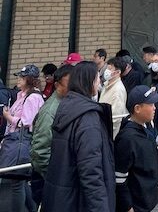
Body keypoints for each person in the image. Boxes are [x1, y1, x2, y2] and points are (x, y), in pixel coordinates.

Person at [42, 61, 115, 212]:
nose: (99, 82)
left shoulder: (66, 107)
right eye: (97, 78)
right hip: (78, 200)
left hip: (64, 196)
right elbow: (91, 170)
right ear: (89, 81)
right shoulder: (88, 118)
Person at [2, 64, 44, 212]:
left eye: (22, 77)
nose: (18, 79)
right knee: (21, 182)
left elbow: (26, 123)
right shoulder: (22, 95)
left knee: (16, 182)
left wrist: (8, 117)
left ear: (29, 79)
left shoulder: (32, 98)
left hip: (22, 143)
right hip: (16, 141)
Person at [114, 85, 158, 212]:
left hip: (145, 200)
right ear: (137, 108)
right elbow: (119, 177)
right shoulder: (127, 139)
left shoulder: (145, 129)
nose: (154, 108)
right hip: (136, 204)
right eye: (150, 104)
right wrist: (127, 206)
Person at [30, 64, 72, 205]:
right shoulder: (51, 111)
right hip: (48, 180)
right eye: (69, 84)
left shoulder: (65, 104)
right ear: (57, 85)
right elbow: (40, 151)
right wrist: (55, 177)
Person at [99, 56, 128, 139]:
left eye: (110, 69)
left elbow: (116, 118)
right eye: (107, 68)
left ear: (118, 72)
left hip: (109, 134)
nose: (107, 71)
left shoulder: (118, 90)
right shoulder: (107, 85)